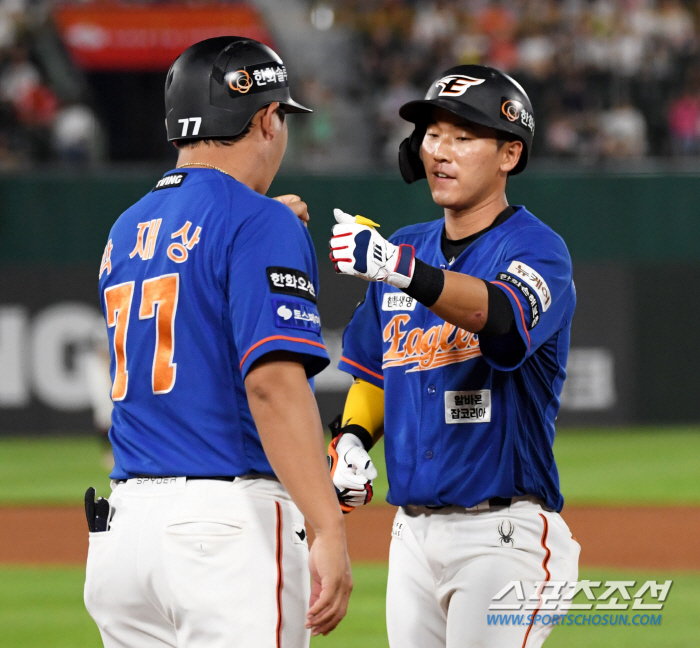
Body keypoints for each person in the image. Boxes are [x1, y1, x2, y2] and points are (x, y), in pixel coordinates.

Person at [85, 36, 352, 648]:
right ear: (264, 119)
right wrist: (327, 526)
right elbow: (272, 385)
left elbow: (198, 255)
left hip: (124, 535)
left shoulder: (125, 228)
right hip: (223, 533)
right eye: (282, 115)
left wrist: (257, 222)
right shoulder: (260, 222)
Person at [327, 65, 581, 648]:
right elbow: (374, 369)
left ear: (509, 154)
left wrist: (401, 270)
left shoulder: (538, 249)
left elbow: (503, 322)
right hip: (411, 537)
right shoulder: (407, 244)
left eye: (464, 137)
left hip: (503, 533)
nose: (440, 151)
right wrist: (350, 440)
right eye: (433, 134)